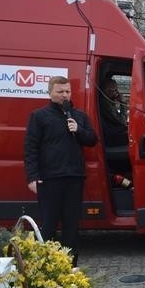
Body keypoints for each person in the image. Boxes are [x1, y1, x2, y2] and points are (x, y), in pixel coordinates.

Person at [24, 76, 98, 265]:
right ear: (50, 93)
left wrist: (78, 130)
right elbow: (30, 149)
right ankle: (47, 268)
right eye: (60, 92)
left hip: (74, 178)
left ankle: (70, 268)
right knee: (48, 227)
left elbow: (92, 139)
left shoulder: (79, 116)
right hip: (49, 180)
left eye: (67, 91)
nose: (65, 95)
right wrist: (32, 177)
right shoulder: (39, 116)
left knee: (72, 227)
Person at [99, 77, 128, 147]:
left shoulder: (109, 101)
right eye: (113, 90)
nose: (116, 93)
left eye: (116, 90)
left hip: (111, 133)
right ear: (107, 90)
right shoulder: (105, 103)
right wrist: (123, 103)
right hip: (111, 137)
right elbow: (122, 122)